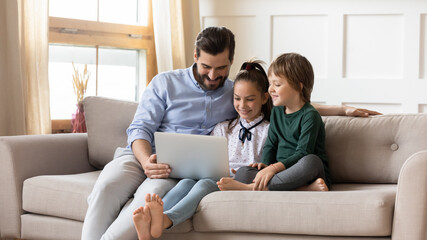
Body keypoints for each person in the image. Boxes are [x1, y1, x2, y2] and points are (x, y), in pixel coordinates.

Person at [82, 25, 380, 240]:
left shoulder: (235, 90)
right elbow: (140, 128)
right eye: (206, 67)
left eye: (221, 68)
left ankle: (151, 224)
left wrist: (343, 109)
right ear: (195, 55)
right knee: (107, 188)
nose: (213, 76)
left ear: (231, 63)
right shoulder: (165, 83)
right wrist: (146, 161)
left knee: (153, 194)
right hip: (141, 155)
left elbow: (287, 102)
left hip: (180, 170)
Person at [132, 60, 273, 240]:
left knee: (204, 184)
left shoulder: (269, 131)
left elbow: (271, 162)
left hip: (237, 180)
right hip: (214, 174)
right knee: (186, 182)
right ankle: (153, 219)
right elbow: (207, 157)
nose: (242, 105)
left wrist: (262, 165)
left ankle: (167, 219)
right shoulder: (224, 127)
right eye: (237, 98)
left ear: (264, 98)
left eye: (250, 99)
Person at [217, 53, 331, 192]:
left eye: (276, 84)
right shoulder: (277, 112)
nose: (270, 89)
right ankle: (301, 189)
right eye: (270, 84)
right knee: (242, 173)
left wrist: (273, 168)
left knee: (312, 161)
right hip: (280, 173)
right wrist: (264, 166)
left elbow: (302, 153)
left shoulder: (310, 115)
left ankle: (252, 187)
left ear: (298, 87)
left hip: (305, 171)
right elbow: (270, 145)